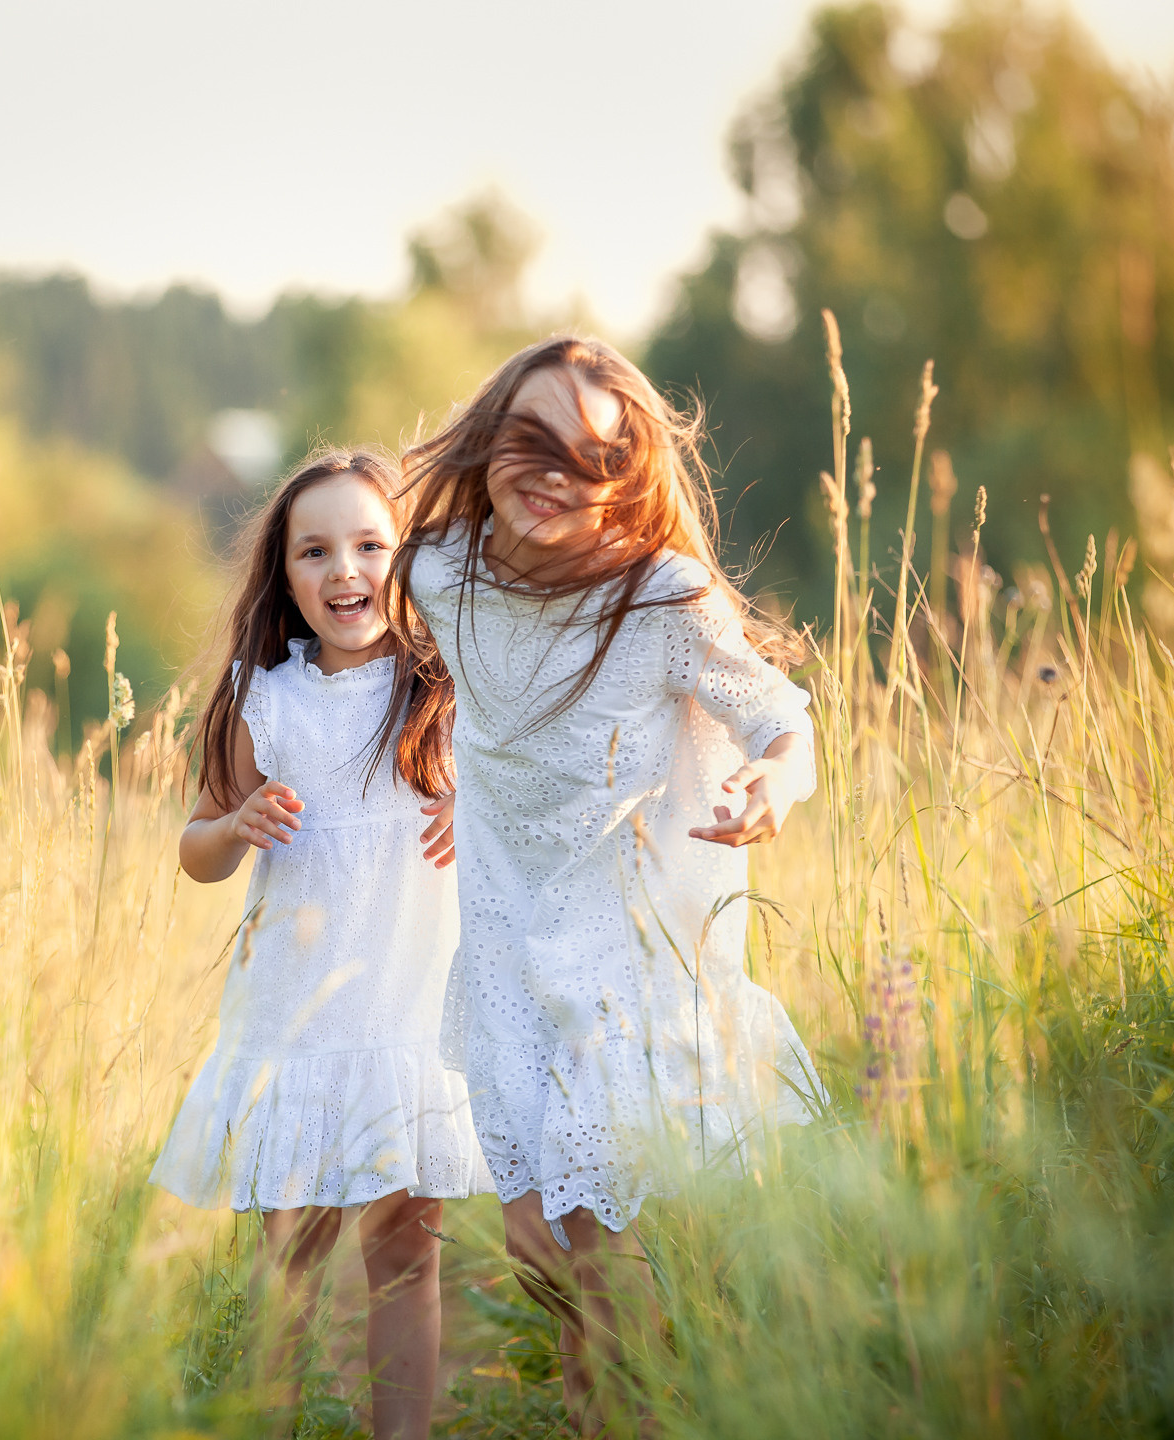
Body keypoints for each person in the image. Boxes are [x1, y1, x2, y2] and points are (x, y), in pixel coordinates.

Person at [389, 335, 824, 1431]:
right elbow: (422, 683)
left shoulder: (660, 600)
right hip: (506, 960)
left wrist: (772, 781)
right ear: (488, 445)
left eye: (590, 456)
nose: (552, 473)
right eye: (529, 442)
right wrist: (437, 780)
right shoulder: (441, 573)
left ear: (625, 477)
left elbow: (782, 718)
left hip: (625, 967)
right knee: (549, 1259)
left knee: (598, 1260)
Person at [150, 447, 485, 1440]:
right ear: (285, 577)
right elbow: (196, 847)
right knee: (288, 1260)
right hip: (294, 1020)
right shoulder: (266, 700)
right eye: (316, 551)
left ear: (409, 558)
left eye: (372, 545)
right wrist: (237, 823)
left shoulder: (448, 692)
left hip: (406, 1013)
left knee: (406, 1258)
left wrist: (480, 810)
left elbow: (524, 809)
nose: (346, 571)